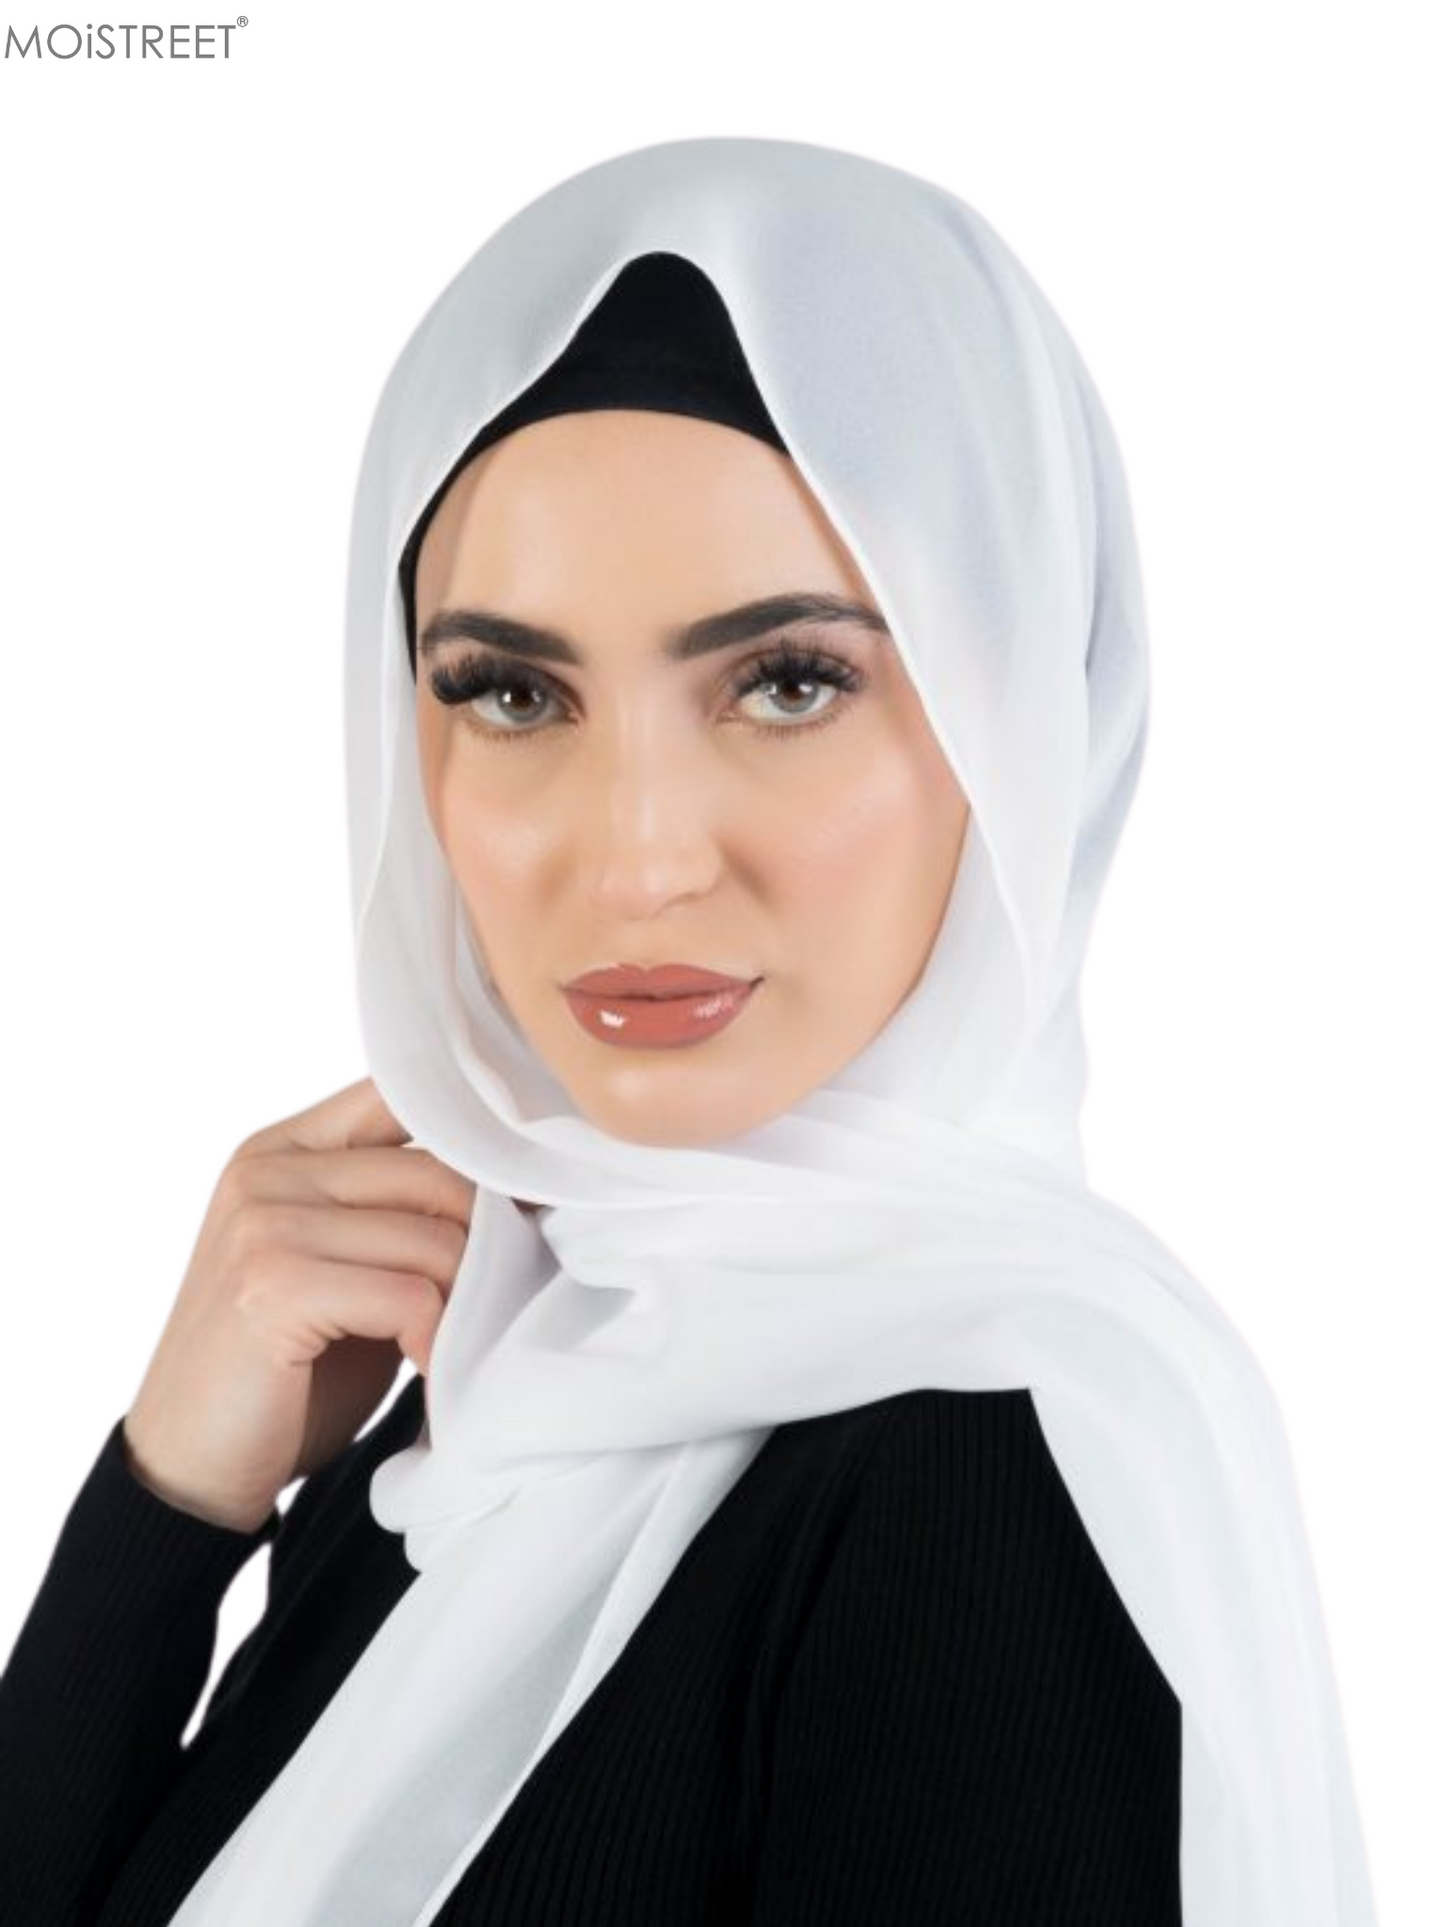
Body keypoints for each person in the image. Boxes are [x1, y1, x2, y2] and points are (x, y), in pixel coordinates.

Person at [0, 138, 1377, 1927]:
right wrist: (171, 1499)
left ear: (1020, 724)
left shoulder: (985, 1482)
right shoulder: (471, 1413)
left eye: (787, 682)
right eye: (513, 691)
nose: (639, 858)